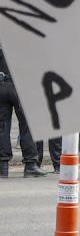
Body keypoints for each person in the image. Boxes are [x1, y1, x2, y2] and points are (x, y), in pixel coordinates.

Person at [0, 47, 45, 178]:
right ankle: (30, 164)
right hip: (21, 85)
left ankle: (3, 167)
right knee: (27, 125)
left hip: (2, 84)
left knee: (2, 126)